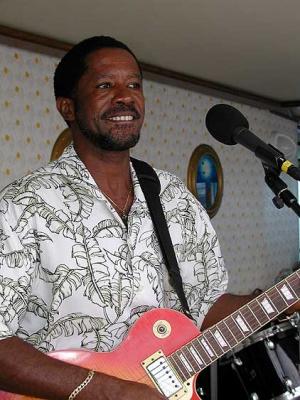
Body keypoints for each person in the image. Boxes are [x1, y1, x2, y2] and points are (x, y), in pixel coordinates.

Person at [0, 36, 298, 400]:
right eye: (105, 85)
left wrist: (283, 298)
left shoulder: (175, 199)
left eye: (134, 84)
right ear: (68, 107)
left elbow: (205, 307)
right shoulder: (22, 206)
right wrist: (114, 392)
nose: (125, 96)